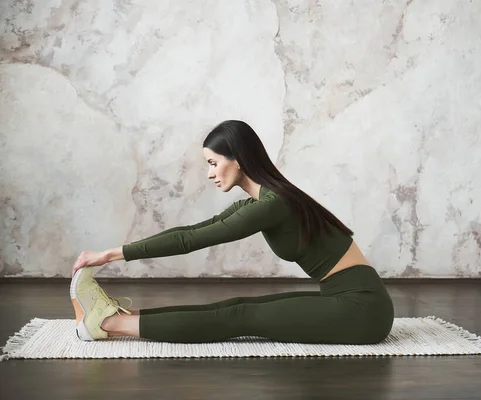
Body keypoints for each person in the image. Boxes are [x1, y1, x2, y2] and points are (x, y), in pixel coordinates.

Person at [70, 120, 394, 344]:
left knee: (240, 316)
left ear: (237, 160)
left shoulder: (272, 203)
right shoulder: (264, 198)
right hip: (347, 298)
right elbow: (194, 229)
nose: (210, 173)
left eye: (213, 163)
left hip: (362, 310)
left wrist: (111, 254)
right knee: (236, 304)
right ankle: (122, 316)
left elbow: (190, 242)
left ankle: (107, 324)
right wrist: (116, 251)